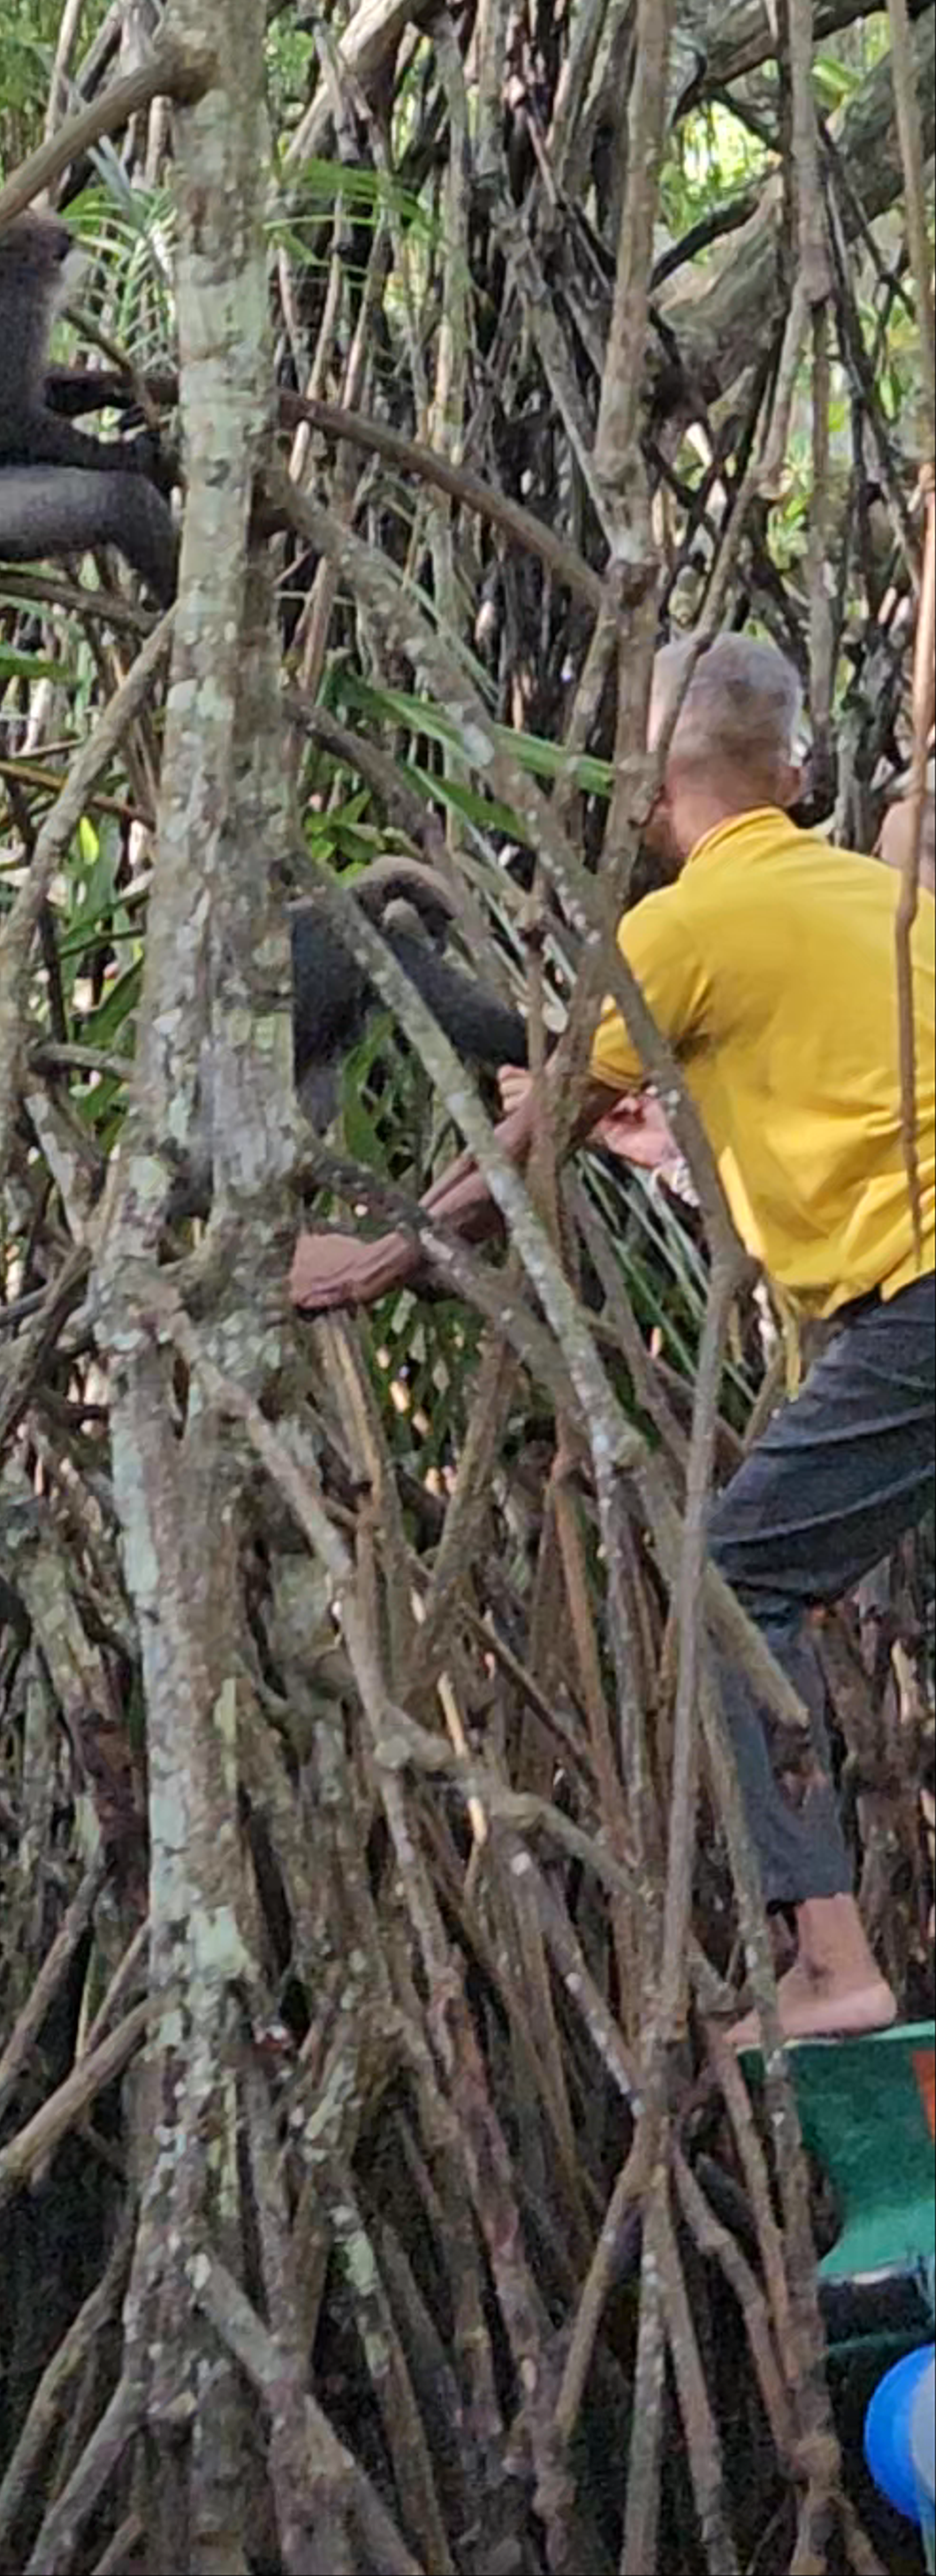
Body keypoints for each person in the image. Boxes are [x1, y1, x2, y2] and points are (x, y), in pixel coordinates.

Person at [292, 634, 935, 2043]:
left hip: (925, 1301)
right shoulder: (876, 903)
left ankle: (834, 1966)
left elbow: (539, 1127)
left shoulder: (681, 932)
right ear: (797, 773)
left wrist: (379, 1259)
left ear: (649, 789)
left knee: (729, 1578)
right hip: (906, 1304)